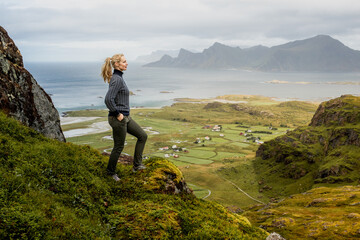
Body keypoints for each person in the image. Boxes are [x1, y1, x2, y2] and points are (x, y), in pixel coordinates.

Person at [101, 53, 148, 181]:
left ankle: (137, 165)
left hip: (125, 117)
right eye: (124, 62)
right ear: (116, 64)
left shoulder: (119, 78)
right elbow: (108, 99)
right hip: (118, 118)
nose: (126, 63)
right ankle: (110, 173)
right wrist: (118, 114)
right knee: (119, 146)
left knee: (142, 136)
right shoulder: (117, 79)